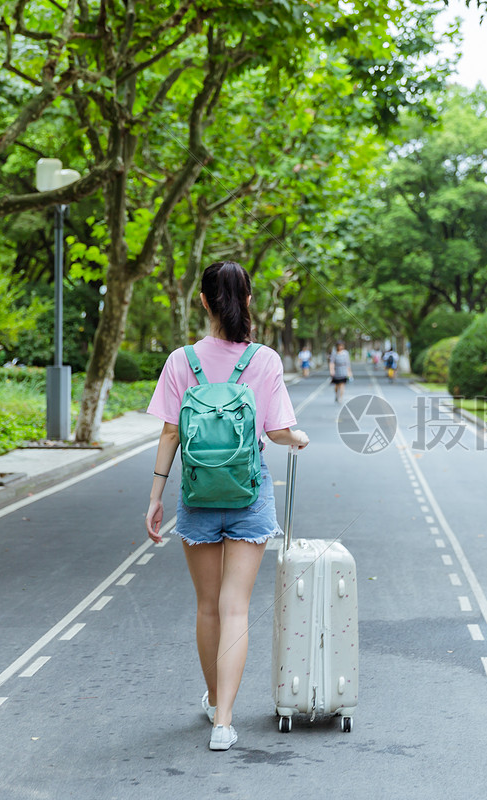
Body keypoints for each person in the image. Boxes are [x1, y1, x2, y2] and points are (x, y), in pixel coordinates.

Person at [144, 261, 309, 752]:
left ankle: (216, 700)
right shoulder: (265, 359)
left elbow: (170, 432)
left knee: (208, 607)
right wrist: (296, 437)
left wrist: (155, 497)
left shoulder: (180, 361)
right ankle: (225, 724)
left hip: (196, 495)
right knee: (236, 607)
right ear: (249, 301)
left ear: (203, 301)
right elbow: (278, 431)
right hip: (249, 492)